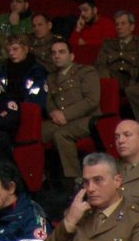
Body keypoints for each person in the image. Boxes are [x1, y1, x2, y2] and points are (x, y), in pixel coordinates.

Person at [41, 40, 103, 180]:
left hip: (86, 118)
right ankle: (42, 176)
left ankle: (75, 179)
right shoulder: (51, 78)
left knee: (61, 135)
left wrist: (65, 114)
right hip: (61, 119)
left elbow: (91, 101)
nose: (57, 56)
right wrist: (54, 113)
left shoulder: (86, 71)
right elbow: (50, 101)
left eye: (62, 52)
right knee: (36, 132)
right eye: (54, 53)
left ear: (72, 56)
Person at [95, 10, 139, 89]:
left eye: (123, 24)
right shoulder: (108, 44)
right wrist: (106, 79)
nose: (119, 27)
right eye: (117, 24)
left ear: (132, 27)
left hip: (131, 80)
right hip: (111, 78)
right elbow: (100, 64)